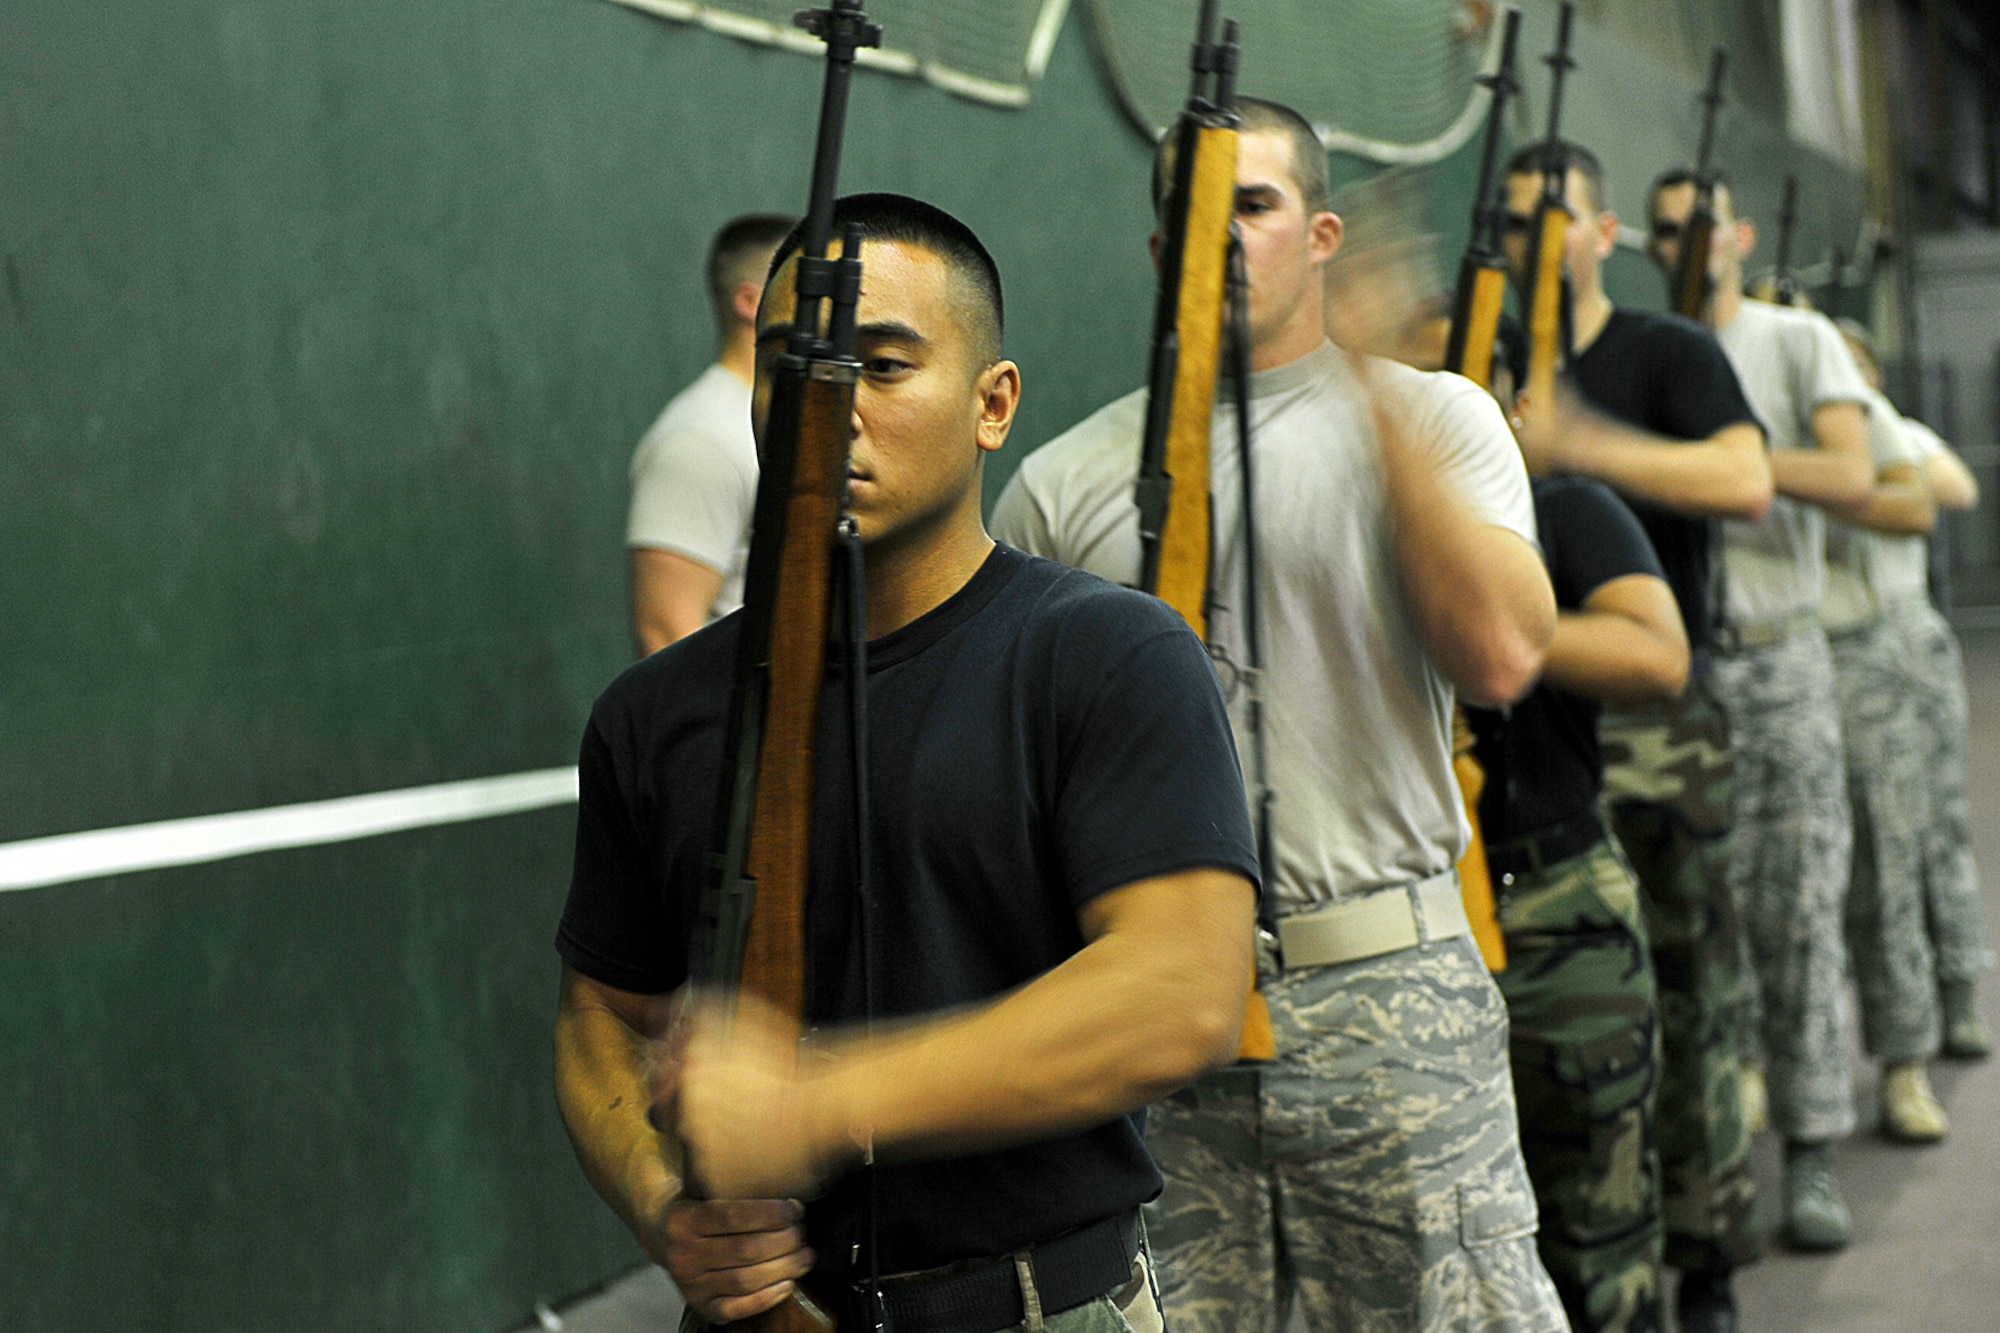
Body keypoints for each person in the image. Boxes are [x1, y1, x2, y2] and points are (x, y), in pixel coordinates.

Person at [554, 194, 1261, 1333]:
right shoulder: (654, 711)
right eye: (791, 366)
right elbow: (602, 1012)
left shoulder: (1102, 654)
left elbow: (1180, 994)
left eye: (880, 367)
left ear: (993, 405)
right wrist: (662, 1205)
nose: (826, 411)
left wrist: (821, 1098)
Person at [995, 97, 1566, 1333]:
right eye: (1191, 214)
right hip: (1156, 1024)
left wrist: (1372, 399)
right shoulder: (1059, 484)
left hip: (1389, 996)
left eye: (1250, 206)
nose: (1219, 238)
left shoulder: (1434, 419)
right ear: (1158, 250)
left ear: (1319, 234)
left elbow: (1504, 654)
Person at [1499, 141, 1771, 1333]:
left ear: (1601, 232)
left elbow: (1741, 480)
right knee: (1577, 1039)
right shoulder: (1476, 347)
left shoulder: (1666, 352)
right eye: (1508, 220)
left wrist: (1581, 445)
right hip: (1524, 742)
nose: (1527, 237)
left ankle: (1704, 1258)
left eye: (1550, 214)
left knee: (1689, 986)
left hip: (1658, 714)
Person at [1648, 168, 1877, 1254]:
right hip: (1681, 674)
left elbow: (1853, 474)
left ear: (1735, 232)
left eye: (1696, 225)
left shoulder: (1794, 344)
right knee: (1700, 926)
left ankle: (1815, 1146)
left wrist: (1713, 460)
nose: (1681, 244)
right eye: (1659, 231)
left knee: (1795, 911)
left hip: (1781, 660)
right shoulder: (1651, 357)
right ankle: (1718, 1161)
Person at [1466, 328, 1690, 1333]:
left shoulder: (1561, 513)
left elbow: (1654, 653)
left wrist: (1492, 613)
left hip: (1557, 907)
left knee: (1599, 1234)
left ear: (1511, 403)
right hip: (1419, 923)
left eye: (1467, 375)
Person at [1837, 323, 1995, 1062]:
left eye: (1861, 366)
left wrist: (1876, 441)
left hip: (1910, 636)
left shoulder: (1899, 432)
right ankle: (1903, 1008)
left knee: (1941, 824)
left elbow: (1956, 489)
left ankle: (1960, 985)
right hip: (1847, 650)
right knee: (1878, 843)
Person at [1814, 339, 1950, 1141]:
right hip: (1763, 655)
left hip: (1863, 652)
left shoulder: (1861, 417)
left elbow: (1919, 503)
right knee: (1778, 895)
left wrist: (1801, 478)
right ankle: (1771, 1072)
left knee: (1885, 871)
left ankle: (1905, 1063)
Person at [626, 213, 792, 654]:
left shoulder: (804, 422)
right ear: (752, 302)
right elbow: (664, 635)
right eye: (809, 288)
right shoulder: (701, 439)